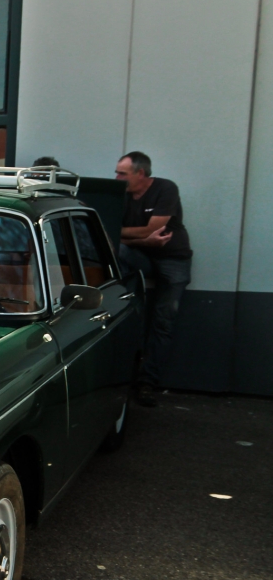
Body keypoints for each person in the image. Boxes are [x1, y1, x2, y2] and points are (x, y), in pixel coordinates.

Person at [115, 151, 192, 407]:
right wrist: (142, 240)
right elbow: (109, 233)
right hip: (142, 255)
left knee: (163, 321)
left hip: (173, 258)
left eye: (122, 174)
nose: (117, 178)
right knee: (118, 251)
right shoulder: (121, 195)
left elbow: (154, 228)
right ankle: (123, 374)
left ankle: (147, 382)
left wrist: (126, 234)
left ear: (141, 173)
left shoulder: (165, 188)